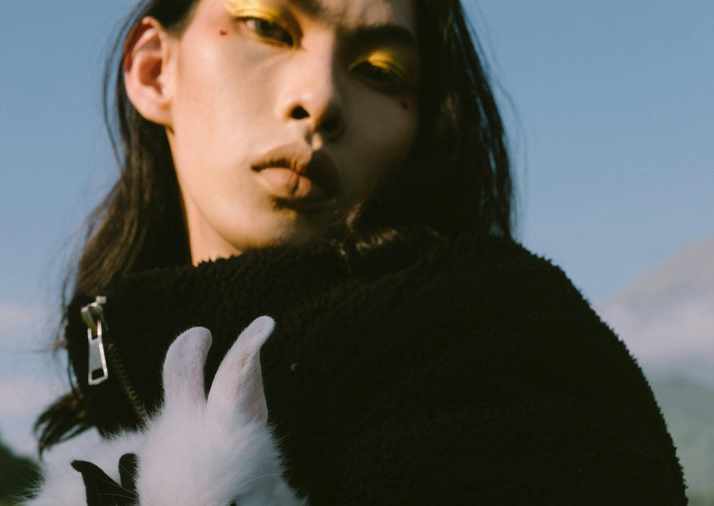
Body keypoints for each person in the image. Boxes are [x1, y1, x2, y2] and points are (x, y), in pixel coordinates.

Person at [34, 0, 688, 503]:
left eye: (380, 71)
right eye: (269, 26)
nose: (318, 100)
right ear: (154, 70)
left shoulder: (505, 349)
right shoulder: (115, 389)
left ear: (421, 127)